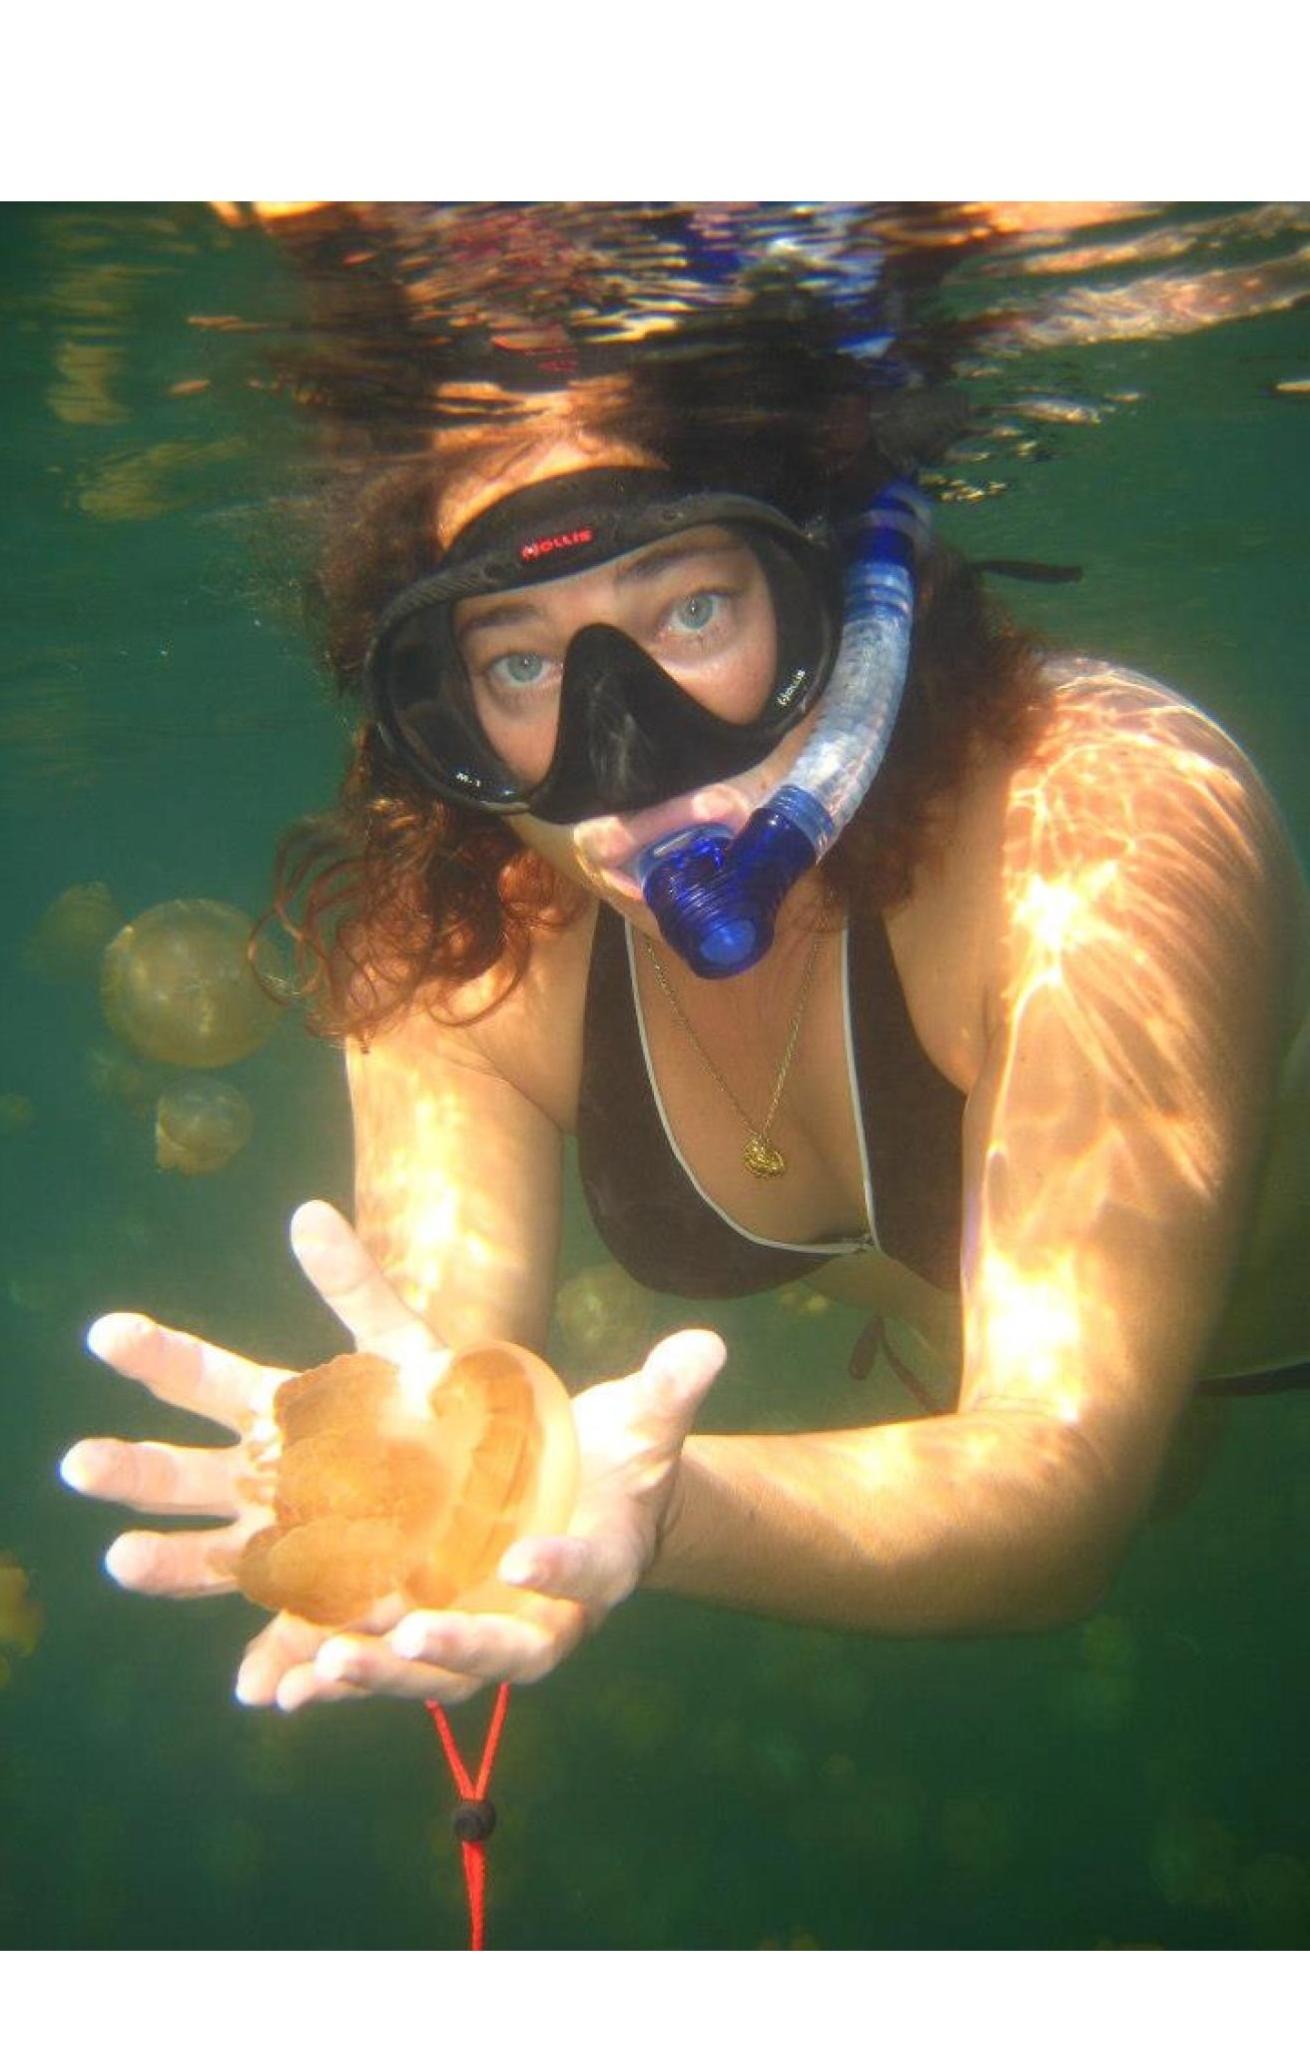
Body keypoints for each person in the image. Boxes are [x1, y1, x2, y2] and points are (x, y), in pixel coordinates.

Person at [60, 308, 1310, 1721]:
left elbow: (1058, 1484)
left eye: (693, 611)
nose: (622, 747)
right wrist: (424, 1495)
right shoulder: (463, 952)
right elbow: (437, 1380)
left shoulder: (1092, 828)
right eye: (520, 664)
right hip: (943, 1361)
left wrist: (674, 1513)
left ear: (848, 602)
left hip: (1260, 1333)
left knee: (1165, 1473)